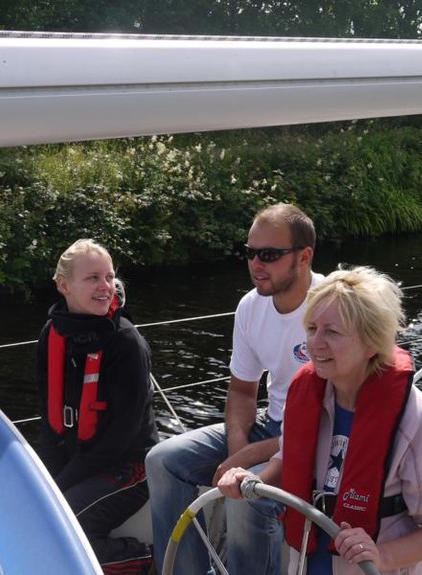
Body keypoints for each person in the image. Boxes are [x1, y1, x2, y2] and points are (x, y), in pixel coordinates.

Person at [218, 266, 422, 575]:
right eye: (312, 328)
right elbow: (290, 459)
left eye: (332, 332)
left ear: (372, 343)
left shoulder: (417, 421)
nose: (315, 343)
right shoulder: (307, 396)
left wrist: (382, 556)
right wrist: (253, 481)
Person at [146, 204, 321, 574]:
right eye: (250, 253)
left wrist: (250, 457)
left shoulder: (332, 307)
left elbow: (335, 416)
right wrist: (238, 450)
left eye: (269, 255)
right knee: (162, 460)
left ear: (304, 257)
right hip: (272, 426)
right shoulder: (250, 307)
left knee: (246, 496)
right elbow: (242, 391)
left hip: (319, 439)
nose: (256, 264)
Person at [36, 239, 160, 574]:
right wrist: (45, 477)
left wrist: (60, 485)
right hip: (80, 457)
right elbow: (49, 420)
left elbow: (121, 436)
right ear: (63, 285)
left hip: (130, 467)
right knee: (28, 510)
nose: (105, 286)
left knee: (63, 526)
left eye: (109, 277)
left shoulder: (127, 343)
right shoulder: (52, 334)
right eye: (93, 278)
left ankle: (150, 560)